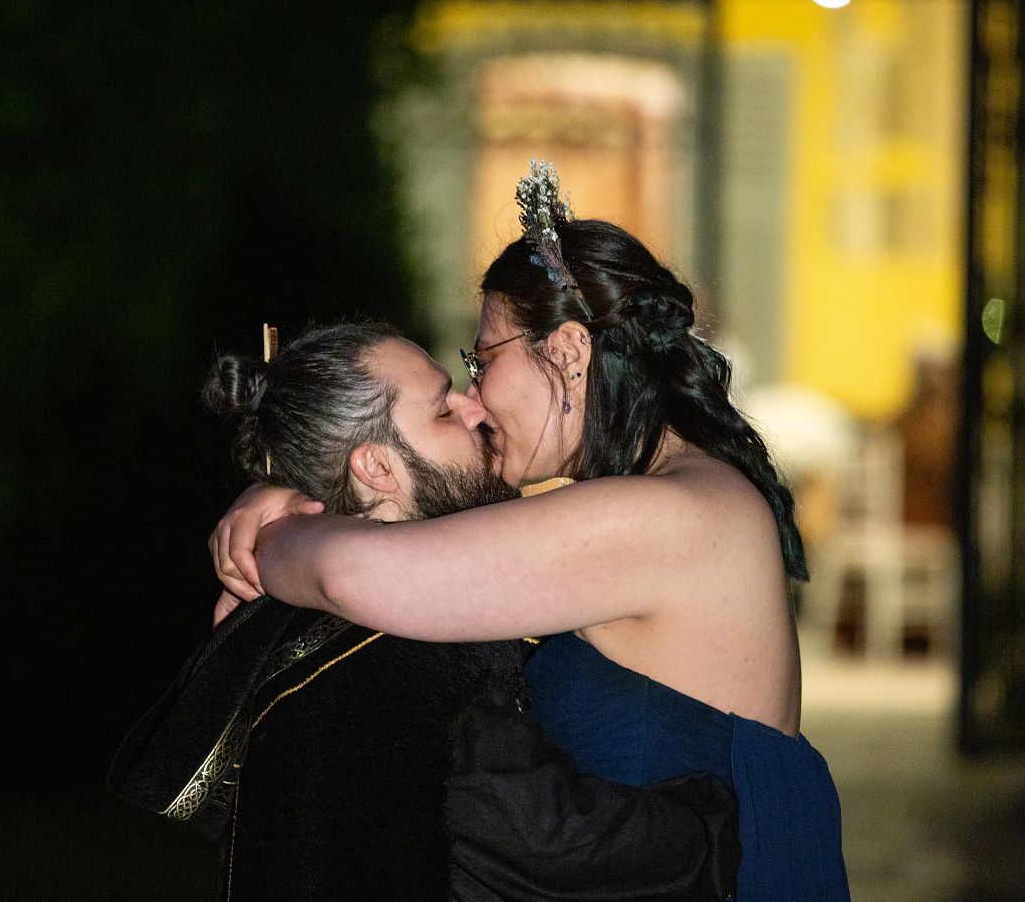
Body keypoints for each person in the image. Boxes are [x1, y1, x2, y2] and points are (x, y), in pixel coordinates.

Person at [209, 163, 851, 901]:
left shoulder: (666, 514)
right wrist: (283, 491)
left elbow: (354, 574)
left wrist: (269, 536)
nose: (476, 397)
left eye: (481, 360)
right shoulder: (652, 498)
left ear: (568, 354)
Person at [112, 320, 738, 902]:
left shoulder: (294, 620)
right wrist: (721, 819)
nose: (475, 408)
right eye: (443, 410)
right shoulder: (422, 647)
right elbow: (560, 846)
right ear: (376, 467)